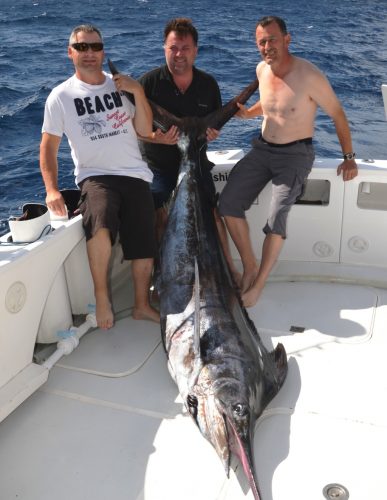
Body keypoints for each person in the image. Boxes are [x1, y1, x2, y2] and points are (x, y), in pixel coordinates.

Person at [219, 15, 358, 307]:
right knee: (227, 204)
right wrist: (248, 113)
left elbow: (338, 115)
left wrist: (348, 158)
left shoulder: (309, 75)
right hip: (261, 150)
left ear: (287, 39)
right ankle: (250, 266)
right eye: (261, 41)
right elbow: (271, 103)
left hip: (295, 155)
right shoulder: (262, 70)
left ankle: (258, 284)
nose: (266, 46)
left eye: (271, 39)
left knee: (276, 218)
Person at [39, 24, 159, 329]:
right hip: (96, 177)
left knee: (145, 239)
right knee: (101, 220)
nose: (89, 53)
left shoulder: (122, 86)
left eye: (95, 47)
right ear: (70, 53)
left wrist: (139, 91)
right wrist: (51, 189)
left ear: (103, 51)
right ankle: (102, 297)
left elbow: (145, 131)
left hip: (135, 174)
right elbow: (48, 147)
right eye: (81, 48)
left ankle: (142, 305)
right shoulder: (60, 96)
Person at [138, 17, 240, 281]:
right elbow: (132, 129)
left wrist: (213, 133)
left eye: (185, 48)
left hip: (195, 161)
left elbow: (213, 127)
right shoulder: (148, 84)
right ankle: (165, 276)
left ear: (196, 50)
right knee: (160, 216)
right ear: (164, 48)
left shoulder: (208, 85)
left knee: (215, 216)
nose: (179, 54)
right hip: (158, 166)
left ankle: (228, 271)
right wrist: (156, 138)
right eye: (173, 48)